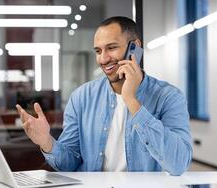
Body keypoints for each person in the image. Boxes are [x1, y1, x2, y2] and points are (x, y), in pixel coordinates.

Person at [16, 16, 192, 175]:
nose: (103, 59)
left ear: (135, 47)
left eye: (112, 48)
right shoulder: (81, 98)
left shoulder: (169, 97)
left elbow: (178, 164)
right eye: (98, 51)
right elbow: (69, 164)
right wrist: (46, 141)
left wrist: (130, 99)